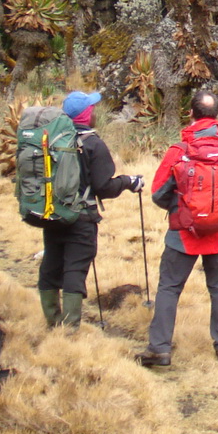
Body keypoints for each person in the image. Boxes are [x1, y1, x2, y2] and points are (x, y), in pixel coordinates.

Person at [138, 90, 218, 366]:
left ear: (191, 114)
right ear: (216, 117)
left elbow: (158, 192)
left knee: (169, 288)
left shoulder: (179, 152)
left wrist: (182, 209)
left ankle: (159, 348)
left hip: (183, 236)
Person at [38, 90, 140, 330]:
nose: (95, 112)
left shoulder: (53, 139)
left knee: (51, 263)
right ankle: (70, 328)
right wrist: (129, 182)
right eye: (91, 109)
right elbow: (104, 187)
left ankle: (52, 322)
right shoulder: (93, 144)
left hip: (53, 214)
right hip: (81, 219)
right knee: (75, 268)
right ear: (85, 115)